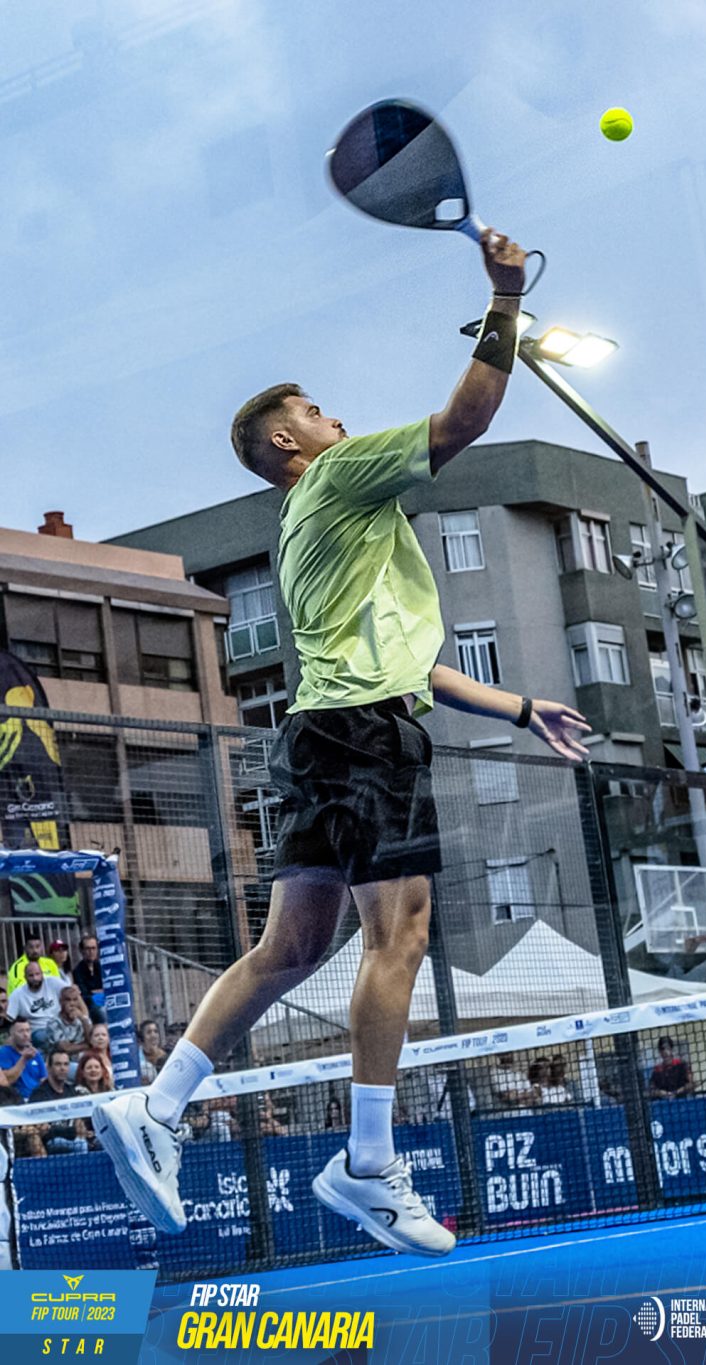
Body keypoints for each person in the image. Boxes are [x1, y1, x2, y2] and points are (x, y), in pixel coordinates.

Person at [94, 231, 591, 1257]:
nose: (340, 421)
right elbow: (465, 420)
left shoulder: (308, 528)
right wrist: (504, 301)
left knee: (291, 948)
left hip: (322, 730)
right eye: (319, 413)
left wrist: (517, 707)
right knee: (398, 935)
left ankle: (157, 1104)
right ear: (290, 443)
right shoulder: (340, 478)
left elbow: (411, 663)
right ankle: (367, 1163)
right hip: (364, 736)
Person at [29, 1047, 91, 1154]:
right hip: (53, 1142)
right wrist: (73, 1131)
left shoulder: (72, 1091)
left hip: (75, 1140)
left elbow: (81, 1125)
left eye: (66, 1064)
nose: (63, 1068)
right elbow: (46, 1132)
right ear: (49, 1067)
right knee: (80, 1145)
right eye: (58, 1064)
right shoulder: (39, 1095)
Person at [7, 962, 67, 1047]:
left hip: (60, 1023)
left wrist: (84, 1014)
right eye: (31, 975)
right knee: (43, 1037)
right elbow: (9, 1018)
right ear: (25, 977)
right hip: (39, 1030)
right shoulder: (18, 994)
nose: (35, 978)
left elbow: (72, 993)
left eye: (37, 974)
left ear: (42, 974)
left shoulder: (53, 982)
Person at [45, 985, 93, 1069]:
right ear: (61, 1002)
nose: (72, 1003)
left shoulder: (82, 1019)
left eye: (75, 1000)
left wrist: (83, 1019)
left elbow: (92, 1041)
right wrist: (87, 1045)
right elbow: (66, 1048)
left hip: (83, 1061)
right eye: (68, 1000)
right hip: (62, 1064)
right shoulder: (53, 1022)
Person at [0, 1019, 47, 1101]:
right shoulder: (3, 1052)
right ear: (12, 1034)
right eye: (21, 1031)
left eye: (28, 1030)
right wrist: (24, 1059)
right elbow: (7, 1081)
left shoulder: (35, 1053)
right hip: (17, 1099)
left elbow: (43, 1079)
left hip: (37, 1097)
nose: (25, 1034)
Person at [72, 934, 106, 1022]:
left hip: (105, 1001)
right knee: (101, 1010)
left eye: (93, 948)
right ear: (81, 950)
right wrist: (100, 992)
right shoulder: (78, 971)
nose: (91, 952)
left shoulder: (102, 967)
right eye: (87, 948)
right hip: (90, 1005)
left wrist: (96, 992)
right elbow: (84, 993)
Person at [137, 1019, 166, 1084]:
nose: (153, 1035)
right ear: (142, 1038)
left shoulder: (165, 1057)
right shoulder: (136, 1059)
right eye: (149, 1032)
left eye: (156, 1031)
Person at [89, 1022, 114, 1086]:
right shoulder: (88, 1059)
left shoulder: (114, 1056)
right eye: (96, 1035)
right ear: (91, 1040)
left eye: (104, 1035)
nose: (100, 1038)